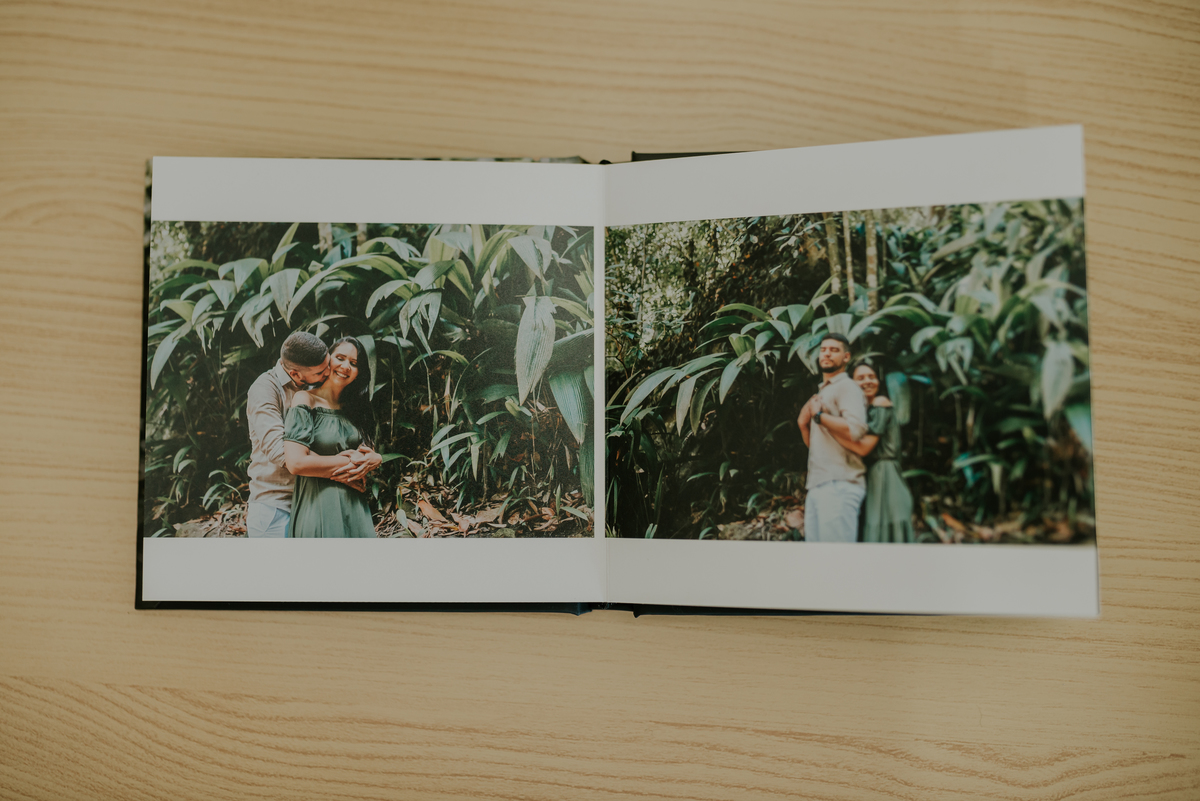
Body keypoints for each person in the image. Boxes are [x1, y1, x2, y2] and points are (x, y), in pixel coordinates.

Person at [245, 331, 375, 538]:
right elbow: (282, 452)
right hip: (276, 504)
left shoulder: (313, 385)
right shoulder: (265, 389)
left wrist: (373, 457)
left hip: (312, 498)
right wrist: (345, 472)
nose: (329, 372)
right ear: (296, 374)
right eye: (322, 371)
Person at [283, 337, 382, 538]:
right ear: (328, 359)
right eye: (340, 358)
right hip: (318, 502)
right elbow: (296, 463)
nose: (345, 366)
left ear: (359, 372)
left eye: (354, 363)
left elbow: (366, 455)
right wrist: (350, 462)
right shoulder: (305, 399)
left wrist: (376, 458)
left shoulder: (356, 409)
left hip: (355, 505)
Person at [818, 361, 916, 543]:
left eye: (872, 377)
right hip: (868, 476)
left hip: (885, 476)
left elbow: (863, 448)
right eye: (861, 378)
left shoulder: (881, 403)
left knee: (884, 535)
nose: (867, 381)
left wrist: (824, 422)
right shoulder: (860, 411)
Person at [796, 333, 869, 543]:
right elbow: (817, 445)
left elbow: (856, 429)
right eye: (823, 350)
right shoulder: (823, 391)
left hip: (840, 484)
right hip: (818, 484)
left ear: (846, 357)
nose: (827, 354)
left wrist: (819, 416)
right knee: (819, 559)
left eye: (834, 350)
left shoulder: (847, 387)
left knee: (837, 558)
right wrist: (803, 424)